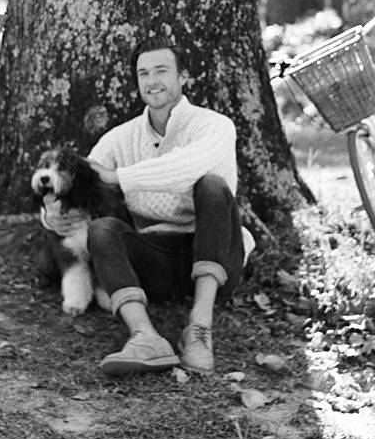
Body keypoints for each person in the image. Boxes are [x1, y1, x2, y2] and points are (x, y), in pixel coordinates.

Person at [84, 36, 252, 377]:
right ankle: (146, 337)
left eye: (161, 70)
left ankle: (199, 330)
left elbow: (185, 170)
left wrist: (118, 177)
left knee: (212, 186)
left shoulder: (215, 126)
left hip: (218, 256)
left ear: (183, 77)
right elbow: (84, 178)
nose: (152, 80)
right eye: (143, 73)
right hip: (159, 260)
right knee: (101, 230)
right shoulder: (122, 137)